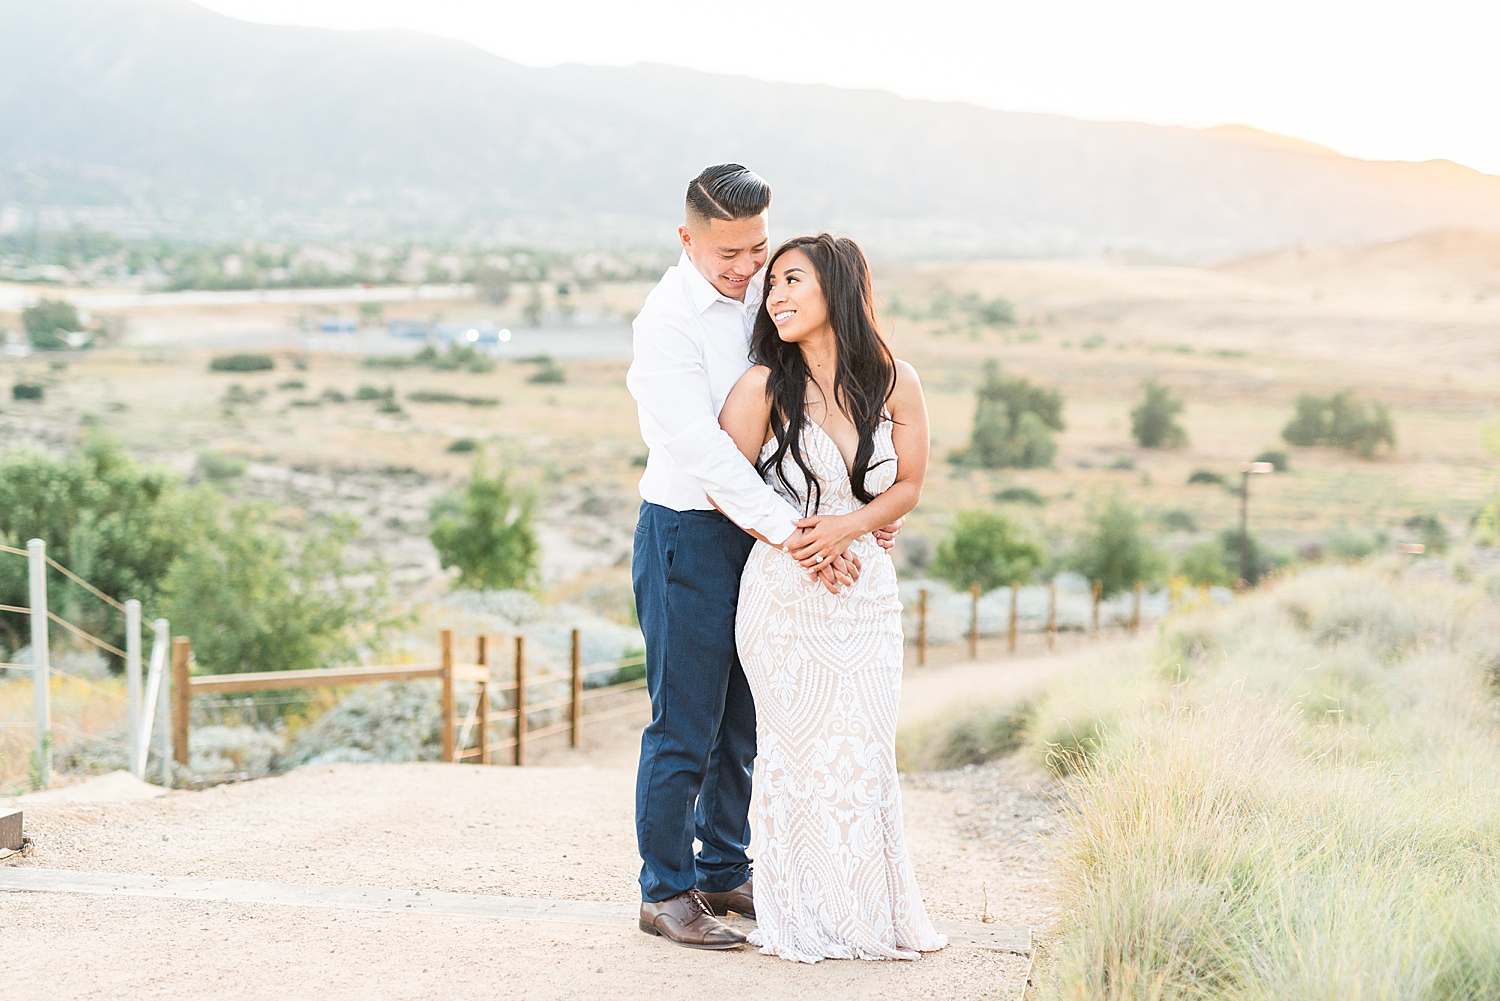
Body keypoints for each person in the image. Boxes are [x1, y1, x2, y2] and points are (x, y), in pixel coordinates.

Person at [627, 165, 898, 950]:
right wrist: (797, 535)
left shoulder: (767, 292)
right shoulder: (665, 323)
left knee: (744, 716)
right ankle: (664, 890)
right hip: (688, 533)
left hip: (773, 538)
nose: (748, 270)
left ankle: (721, 867)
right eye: (729, 256)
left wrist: (856, 509)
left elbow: (816, 395)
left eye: (758, 248)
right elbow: (709, 457)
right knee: (685, 721)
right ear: (687, 239)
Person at [718, 233, 947, 963]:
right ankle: (802, 912)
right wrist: (801, 543)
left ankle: (870, 915)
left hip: (868, 596)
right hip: (784, 597)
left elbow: (908, 484)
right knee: (795, 753)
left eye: (792, 280)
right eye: (771, 285)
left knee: (864, 751)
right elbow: (725, 485)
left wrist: (851, 526)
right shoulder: (762, 386)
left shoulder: (895, 380)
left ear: (837, 289)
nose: (775, 295)